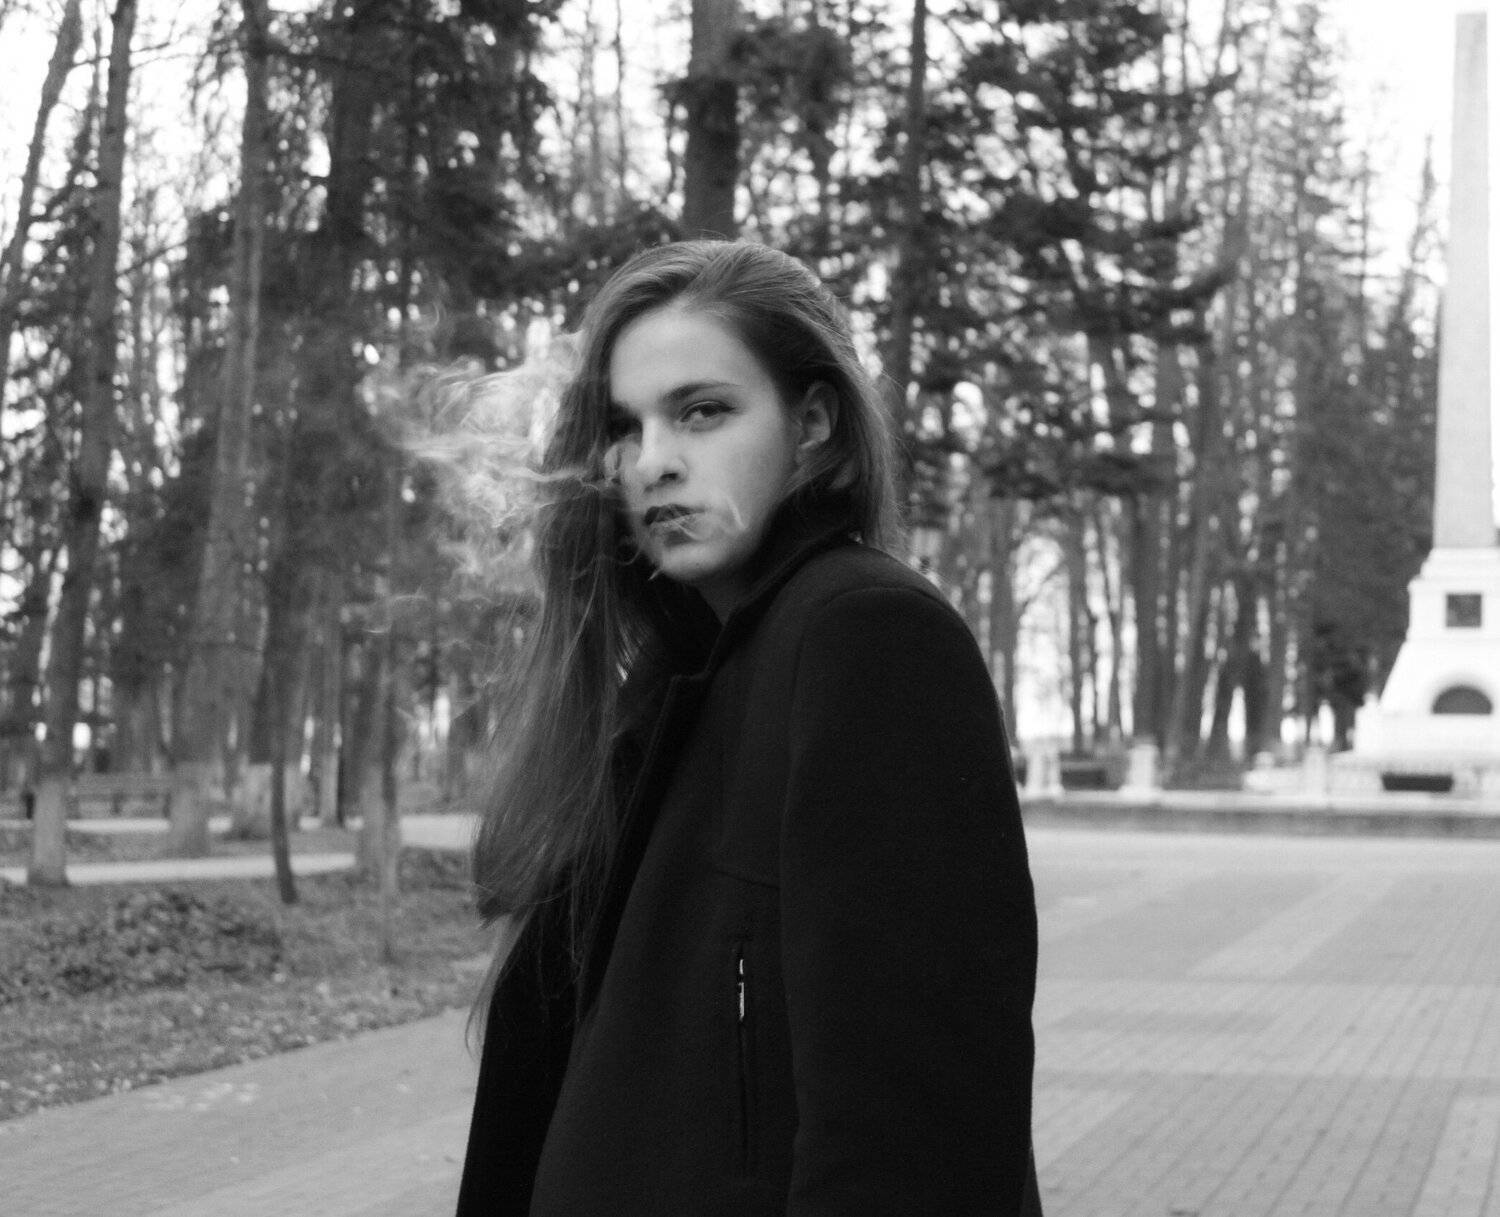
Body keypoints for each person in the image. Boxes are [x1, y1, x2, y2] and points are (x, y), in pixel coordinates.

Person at [455, 240, 1041, 1216]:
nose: (653, 461)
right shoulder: (677, 681)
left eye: (702, 411)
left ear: (812, 425)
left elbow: (915, 1133)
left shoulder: (867, 637)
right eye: (626, 426)